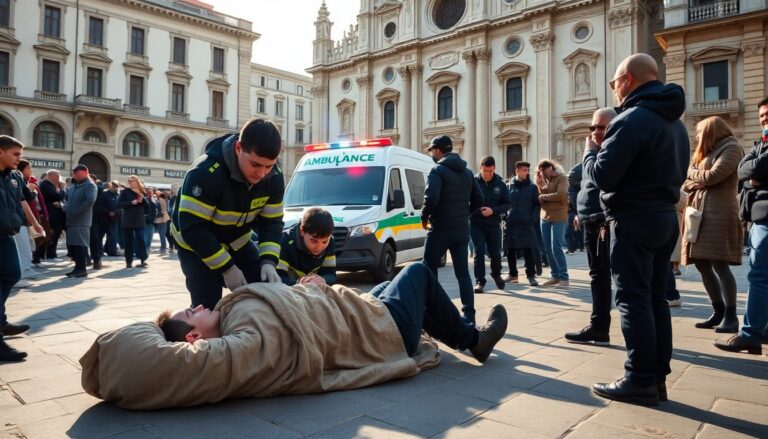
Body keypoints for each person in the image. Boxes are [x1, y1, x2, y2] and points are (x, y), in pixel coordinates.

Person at [585, 53, 689, 405]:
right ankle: (657, 375)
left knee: (632, 299)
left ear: (627, 79)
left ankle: (639, 378)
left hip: (634, 220)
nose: (614, 90)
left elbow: (603, 175)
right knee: (655, 298)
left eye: (614, 83)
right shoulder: (674, 123)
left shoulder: (631, 119)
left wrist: (591, 153)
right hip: (663, 218)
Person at [159, 263, 508, 365]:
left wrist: (306, 290)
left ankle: (453, 332)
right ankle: (474, 340)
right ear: (194, 337)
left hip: (360, 312)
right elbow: (294, 328)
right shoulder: (241, 329)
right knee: (417, 272)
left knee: (397, 283)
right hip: (379, 331)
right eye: (194, 312)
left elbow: (292, 309)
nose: (201, 305)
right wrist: (311, 293)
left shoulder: (234, 313)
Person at [172, 118, 285, 310]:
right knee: (206, 309)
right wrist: (227, 267)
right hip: (196, 247)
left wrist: (268, 262)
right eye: (255, 164)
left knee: (267, 293)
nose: (262, 174)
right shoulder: (205, 172)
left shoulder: (274, 177)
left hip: (237, 241)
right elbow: (193, 229)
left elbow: (272, 224)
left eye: (269, 166)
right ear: (239, 148)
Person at [715, 96, 768, 355]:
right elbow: (744, 170)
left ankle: (750, 334)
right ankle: (760, 329)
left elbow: (755, 167)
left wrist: (755, 174)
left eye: (767, 117)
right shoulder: (761, 144)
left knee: (759, 277)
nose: (764, 122)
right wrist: (752, 178)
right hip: (758, 217)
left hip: (766, 218)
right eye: (762, 118)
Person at [682, 116, 744, 333]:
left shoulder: (732, 148)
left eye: (699, 132)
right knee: (700, 262)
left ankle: (730, 315)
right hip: (700, 212)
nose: (697, 136)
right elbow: (688, 175)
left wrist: (698, 177)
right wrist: (698, 178)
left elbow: (714, 175)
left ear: (710, 131)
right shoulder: (705, 151)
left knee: (720, 263)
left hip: (720, 212)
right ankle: (717, 310)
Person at [564, 108, 618, 345]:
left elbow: (598, 177)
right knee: (598, 275)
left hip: (604, 221)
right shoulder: (594, 153)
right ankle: (599, 326)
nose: (596, 132)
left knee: (608, 275)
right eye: (593, 127)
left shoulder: (605, 153)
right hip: (591, 220)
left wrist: (589, 152)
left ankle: (602, 326)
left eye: (602, 127)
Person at [421, 135, 484, 324]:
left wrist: (424, 216)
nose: (432, 154)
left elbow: (431, 198)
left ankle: (434, 311)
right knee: (462, 273)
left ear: (439, 150)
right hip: (461, 229)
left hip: (440, 228)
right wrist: (465, 214)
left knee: (429, 269)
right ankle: (469, 315)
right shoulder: (467, 172)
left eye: (432, 150)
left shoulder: (437, 170)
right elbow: (479, 200)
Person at [1, 136, 44, 361]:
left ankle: (1, 321)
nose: (20, 159)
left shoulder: (16, 176)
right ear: (0, 152)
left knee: (12, 274)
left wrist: (34, 223)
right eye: (15, 154)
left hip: (8, 233)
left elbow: (22, 201)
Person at [470, 156, 510, 293]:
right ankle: (480, 281)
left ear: (494, 169)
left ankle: (496, 274)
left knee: (495, 253)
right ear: (480, 168)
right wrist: (478, 210)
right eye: (485, 171)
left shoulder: (500, 184)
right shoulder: (473, 182)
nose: (488, 174)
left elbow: (507, 204)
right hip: (476, 223)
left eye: (491, 171)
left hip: (494, 224)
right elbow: (466, 202)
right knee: (479, 251)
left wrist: (493, 210)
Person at [277, 207, 336, 286]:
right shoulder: (284, 242)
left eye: (324, 242)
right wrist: (299, 283)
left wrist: (323, 280)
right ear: (302, 231)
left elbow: (331, 274)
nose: (319, 247)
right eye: (314, 241)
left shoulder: (331, 241)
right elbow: (278, 277)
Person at [503, 161, 540, 287]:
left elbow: (536, 205)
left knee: (529, 249)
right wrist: (504, 216)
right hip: (511, 222)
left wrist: (532, 218)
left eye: (527, 170)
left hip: (526, 222)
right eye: (524, 170)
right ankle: (513, 275)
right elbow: (504, 202)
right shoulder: (508, 186)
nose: (526, 173)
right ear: (517, 171)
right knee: (510, 249)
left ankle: (531, 275)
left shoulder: (532, 187)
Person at [535, 159, 570, 287]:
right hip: (544, 216)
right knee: (547, 248)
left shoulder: (562, 178)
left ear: (551, 168)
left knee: (556, 247)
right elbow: (539, 196)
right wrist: (538, 184)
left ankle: (564, 277)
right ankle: (555, 275)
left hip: (559, 215)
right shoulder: (541, 180)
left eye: (544, 170)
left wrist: (544, 197)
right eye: (540, 171)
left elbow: (561, 194)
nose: (542, 173)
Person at [64, 165, 98, 278]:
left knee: (80, 246)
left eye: (76, 172)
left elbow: (89, 201)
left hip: (81, 221)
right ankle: (77, 268)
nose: (73, 174)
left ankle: (81, 269)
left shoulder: (90, 185)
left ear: (84, 172)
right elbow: (67, 199)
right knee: (73, 246)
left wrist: (75, 212)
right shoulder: (74, 185)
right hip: (71, 220)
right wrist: (65, 207)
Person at [118, 175, 149, 269]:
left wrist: (142, 199)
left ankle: (143, 260)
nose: (131, 182)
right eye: (129, 181)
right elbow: (119, 205)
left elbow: (148, 206)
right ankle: (128, 261)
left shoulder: (142, 191)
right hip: (127, 220)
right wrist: (131, 202)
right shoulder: (124, 192)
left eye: (133, 181)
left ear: (137, 182)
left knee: (141, 239)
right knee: (128, 241)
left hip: (139, 219)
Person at [40, 169, 66, 260]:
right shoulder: (46, 185)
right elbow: (58, 196)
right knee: (51, 235)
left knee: (54, 235)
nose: (59, 178)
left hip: (54, 215)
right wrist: (62, 189)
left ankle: (50, 254)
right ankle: (49, 255)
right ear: (52, 176)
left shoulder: (51, 185)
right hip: (51, 215)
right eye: (58, 176)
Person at [565, 163, 584, 254]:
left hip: (572, 211)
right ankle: (579, 246)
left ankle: (572, 248)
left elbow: (572, 199)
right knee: (577, 229)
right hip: (575, 210)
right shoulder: (576, 187)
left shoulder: (571, 188)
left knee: (571, 230)